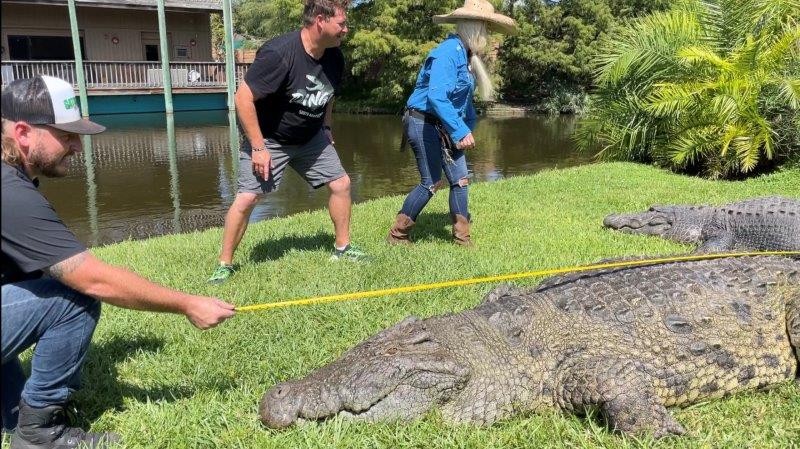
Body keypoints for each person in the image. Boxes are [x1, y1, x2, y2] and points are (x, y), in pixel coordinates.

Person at [1, 75, 236, 449]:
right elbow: (92, 279)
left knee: (13, 411)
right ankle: (40, 436)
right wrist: (188, 304)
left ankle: (22, 420)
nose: (78, 146)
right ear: (25, 132)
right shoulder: (9, 192)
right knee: (72, 302)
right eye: (67, 135)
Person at [208, 0, 368, 284]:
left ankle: (343, 248)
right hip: (269, 138)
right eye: (342, 24)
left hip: (310, 138)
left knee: (341, 184)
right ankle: (225, 264)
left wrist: (327, 127)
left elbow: (329, 94)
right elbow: (242, 98)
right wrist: (258, 148)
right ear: (320, 20)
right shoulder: (279, 53)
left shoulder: (334, 56)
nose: (346, 30)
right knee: (247, 198)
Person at [386, 0, 517, 246]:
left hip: (446, 125)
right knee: (431, 182)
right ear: (474, 28)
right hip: (421, 121)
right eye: (486, 29)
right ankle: (397, 235)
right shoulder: (447, 52)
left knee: (460, 180)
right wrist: (458, 129)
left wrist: (466, 128)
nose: (488, 35)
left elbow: (464, 104)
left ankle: (462, 239)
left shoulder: (467, 57)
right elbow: (437, 96)